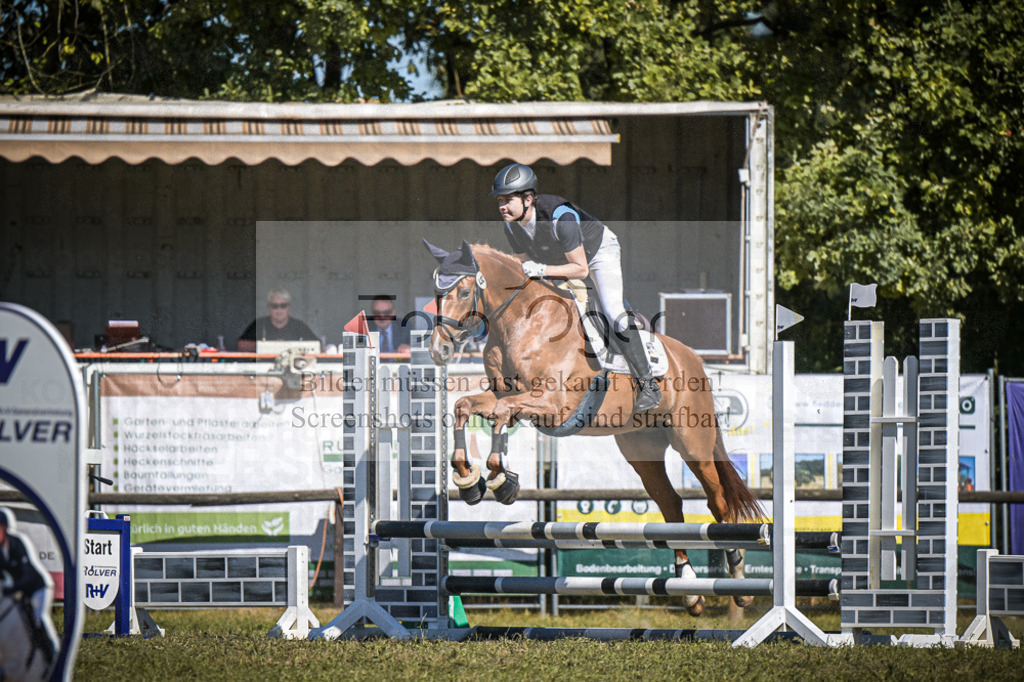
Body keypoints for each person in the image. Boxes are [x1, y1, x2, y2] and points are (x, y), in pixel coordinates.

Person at [490, 162, 662, 411]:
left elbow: (581, 269)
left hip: (597, 254)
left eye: (507, 200)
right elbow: (529, 270)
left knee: (612, 311)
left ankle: (648, 385)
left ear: (528, 199)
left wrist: (542, 270)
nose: (502, 206)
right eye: (499, 201)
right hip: (560, 260)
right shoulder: (511, 227)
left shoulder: (562, 217)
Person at [0, 508, 57, 662]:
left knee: (37, 622)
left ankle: (51, 654)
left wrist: (11, 588)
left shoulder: (16, 544)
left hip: (37, 588)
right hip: (20, 590)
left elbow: (28, 576)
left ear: (5, 528)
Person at [237, 288, 318, 352]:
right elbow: (241, 345)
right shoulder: (259, 324)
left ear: (288, 307)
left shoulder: (299, 326)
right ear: (268, 307)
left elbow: (317, 345)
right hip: (263, 369)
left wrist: (289, 347)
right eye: (274, 306)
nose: (279, 310)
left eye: (283, 306)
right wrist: (269, 346)